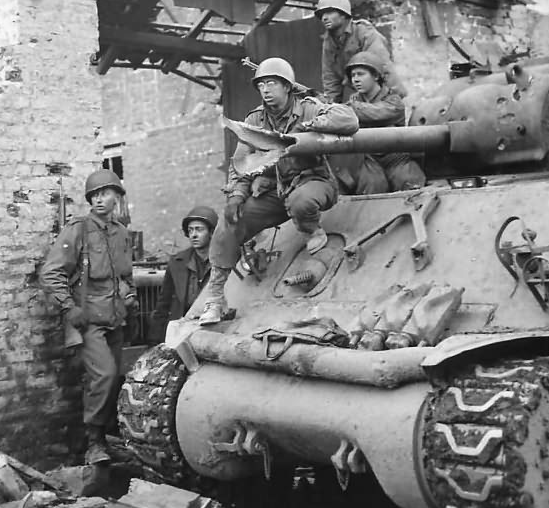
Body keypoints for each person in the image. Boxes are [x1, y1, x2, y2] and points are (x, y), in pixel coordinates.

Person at [198, 57, 359, 326]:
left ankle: (312, 230)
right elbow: (241, 161)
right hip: (277, 189)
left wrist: (314, 124)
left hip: (314, 182)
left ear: (287, 86)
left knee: (301, 201)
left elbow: (349, 118)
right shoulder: (256, 119)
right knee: (230, 221)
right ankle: (215, 299)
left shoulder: (307, 108)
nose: (265, 89)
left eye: (272, 83)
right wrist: (237, 195)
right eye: (261, 84)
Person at [40, 169, 134, 465]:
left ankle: (107, 437)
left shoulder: (121, 233)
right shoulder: (78, 229)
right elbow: (50, 273)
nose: (100, 200)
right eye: (95, 195)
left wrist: (129, 295)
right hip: (89, 320)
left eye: (106, 193)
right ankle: (94, 442)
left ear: (118, 197)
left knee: (113, 378)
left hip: (116, 319)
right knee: (103, 375)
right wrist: (69, 307)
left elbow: (125, 275)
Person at [342, 51, 425, 195]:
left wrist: (350, 108)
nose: (355, 79)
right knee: (371, 187)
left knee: (410, 184)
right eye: (353, 75)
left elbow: (376, 113)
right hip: (369, 159)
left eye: (361, 74)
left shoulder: (394, 101)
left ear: (376, 76)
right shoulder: (353, 101)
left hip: (396, 158)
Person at [316, 0, 406, 102]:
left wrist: (391, 101)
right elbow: (330, 79)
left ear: (343, 14)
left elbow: (382, 69)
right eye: (322, 15)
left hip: (385, 91)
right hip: (363, 94)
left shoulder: (365, 33)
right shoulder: (329, 43)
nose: (324, 18)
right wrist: (331, 107)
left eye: (329, 12)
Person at [149, 205, 218, 342]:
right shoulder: (177, 262)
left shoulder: (223, 262)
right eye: (190, 230)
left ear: (211, 232)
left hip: (214, 329)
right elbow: (164, 303)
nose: (194, 235)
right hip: (182, 329)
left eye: (199, 229)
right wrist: (156, 340)